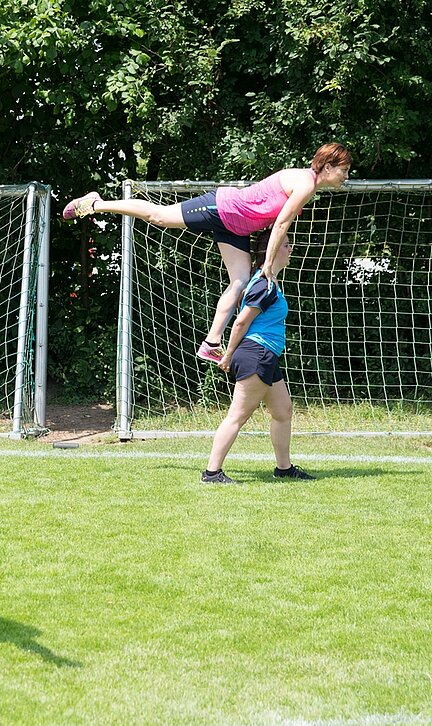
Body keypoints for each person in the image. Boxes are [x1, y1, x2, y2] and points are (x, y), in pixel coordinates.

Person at [63, 143, 352, 363]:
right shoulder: (305, 183)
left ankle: (211, 344)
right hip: (223, 208)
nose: (346, 176)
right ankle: (96, 203)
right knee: (159, 217)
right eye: (344, 170)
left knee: (239, 283)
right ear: (327, 167)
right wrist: (265, 266)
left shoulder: (308, 185)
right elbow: (281, 224)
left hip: (237, 229)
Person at [200, 229, 314, 484]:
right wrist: (228, 355)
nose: (290, 249)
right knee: (237, 416)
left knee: (283, 411)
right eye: (285, 245)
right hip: (256, 354)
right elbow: (241, 323)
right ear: (272, 250)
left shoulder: (267, 281)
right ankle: (211, 473)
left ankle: (284, 468)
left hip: (266, 355)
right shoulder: (264, 284)